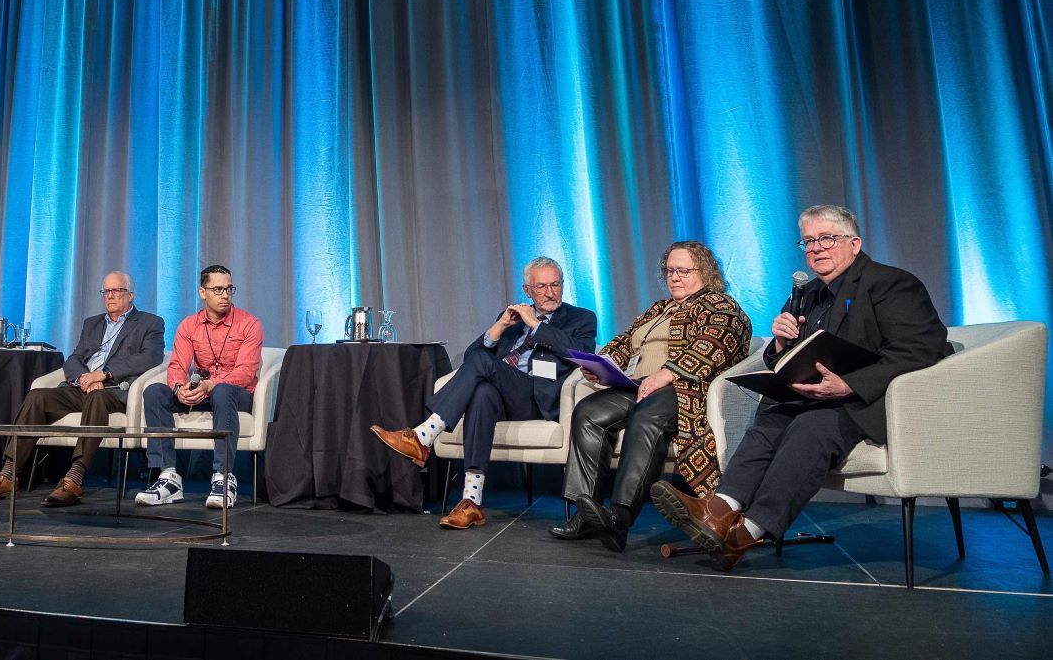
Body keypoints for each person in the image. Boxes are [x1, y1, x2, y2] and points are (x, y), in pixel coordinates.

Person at [652, 205, 950, 570]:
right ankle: (718, 510)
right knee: (772, 418)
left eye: (827, 238)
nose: (817, 248)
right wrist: (779, 345)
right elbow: (789, 358)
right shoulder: (806, 294)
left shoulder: (890, 283)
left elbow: (924, 348)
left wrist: (848, 385)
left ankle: (744, 533)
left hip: (865, 401)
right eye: (808, 241)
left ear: (854, 243)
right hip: (808, 398)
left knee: (811, 428)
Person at [548, 241, 751, 552]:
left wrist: (667, 374)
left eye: (684, 270)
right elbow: (625, 342)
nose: (675, 277)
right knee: (588, 412)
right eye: (670, 271)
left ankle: (619, 517)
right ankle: (586, 514)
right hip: (640, 386)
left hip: (684, 390)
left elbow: (716, 343)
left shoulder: (720, 305)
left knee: (647, 416)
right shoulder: (659, 309)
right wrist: (600, 365)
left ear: (706, 272)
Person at [371, 256, 597, 530]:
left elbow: (581, 353)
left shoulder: (581, 318)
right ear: (527, 291)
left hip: (537, 397)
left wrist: (537, 325)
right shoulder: (512, 319)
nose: (550, 293)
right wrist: (499, 327)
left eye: (556, 285)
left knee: (483, 367)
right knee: (482, 394)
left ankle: (424, 435)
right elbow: (471, 358)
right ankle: (472, 501)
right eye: (541, 287)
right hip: (502, 395)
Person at [0, 271, 164, 506]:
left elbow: (150, 358)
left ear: (131, 295)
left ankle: (74, 478)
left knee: (98, 398)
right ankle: (8, 475)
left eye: (117, 291)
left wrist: (104, 374)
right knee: (37, 396)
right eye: (106, 291)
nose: (110, 296)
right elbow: (74, 358)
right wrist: (83, 378)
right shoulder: (92, 323)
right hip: (81, 388)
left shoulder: (150, 323)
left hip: (113, 390)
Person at [136, 264, 263, 510]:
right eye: (218, 289)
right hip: (203, 391)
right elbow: (176, 365)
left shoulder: (250, 324)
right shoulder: (189, 326)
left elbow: (246, 372)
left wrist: (211, 385)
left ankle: (223, 477)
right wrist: (178, 388)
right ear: (202, 292)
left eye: (229, 289)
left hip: (237, 394)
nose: (225, 295)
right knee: (154, 391)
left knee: (222, 389)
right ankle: (169, 478)